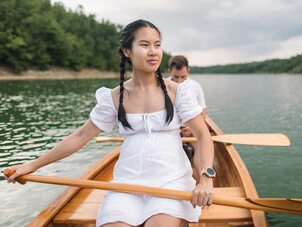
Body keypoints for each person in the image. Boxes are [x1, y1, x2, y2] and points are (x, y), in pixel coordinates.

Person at [4, 19, 215, 227]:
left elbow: (204, 136)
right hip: (127, 186)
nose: (153, 51)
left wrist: (205, 179)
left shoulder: (178, 92)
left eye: (157, 45)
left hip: (171, 184)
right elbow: (80, 136)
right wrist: (32, 165)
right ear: (126, 51)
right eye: (144, 45)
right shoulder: (114, 97)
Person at [167, 55, 206, 160]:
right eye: (176, 77)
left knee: (200, 147)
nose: (180, 81)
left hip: (189, 130)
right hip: (169, 130)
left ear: (188, 71)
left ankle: (201, 174)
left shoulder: (195, 87)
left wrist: (192, 129)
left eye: (183, 77)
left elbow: (203, 112)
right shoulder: (161, 86)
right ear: (169, 72)